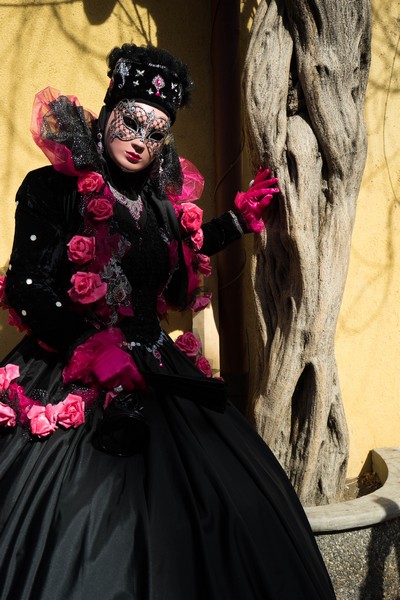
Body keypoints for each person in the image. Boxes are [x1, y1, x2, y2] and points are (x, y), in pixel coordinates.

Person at [0, 43, 336, 599]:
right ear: (108, 112)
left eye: (156, 133)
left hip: (159, 366)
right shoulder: (51, 189)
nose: (140, 140)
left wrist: (237, 221)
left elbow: (175, 274)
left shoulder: (156, 203)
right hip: (72, 367)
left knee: (222, 507)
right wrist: (94, 349)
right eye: (131, 121)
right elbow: (27, 286)